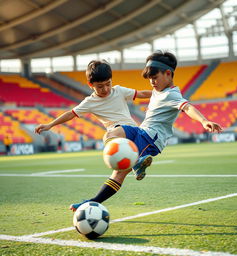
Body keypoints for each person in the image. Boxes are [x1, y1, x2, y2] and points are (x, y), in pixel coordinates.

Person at [71, 50, 223, 211]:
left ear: (168, 73)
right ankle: (129, 168)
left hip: (151, 138)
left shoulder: (172, 95)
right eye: (150, 79)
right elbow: (154, 102)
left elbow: (187, 107)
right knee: (112, 134)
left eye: (155, 78)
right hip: (141, 131)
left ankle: (95, 200)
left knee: (119, 172)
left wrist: (204, 120)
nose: (152, 82)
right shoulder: (159, 92)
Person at [34, 60, 152, 210]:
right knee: (118, 175)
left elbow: (141, 93)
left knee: (108, 135)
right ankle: (92, 203)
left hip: (131, 131)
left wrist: (161, 95)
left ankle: (136, 162)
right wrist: (50, 125)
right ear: (91, 86)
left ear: (111, 80)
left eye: (108, 84)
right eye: (100, 86)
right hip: (127, 143)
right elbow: (71, 114)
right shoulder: (90, 102)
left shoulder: (119, 91)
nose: (105, 89)